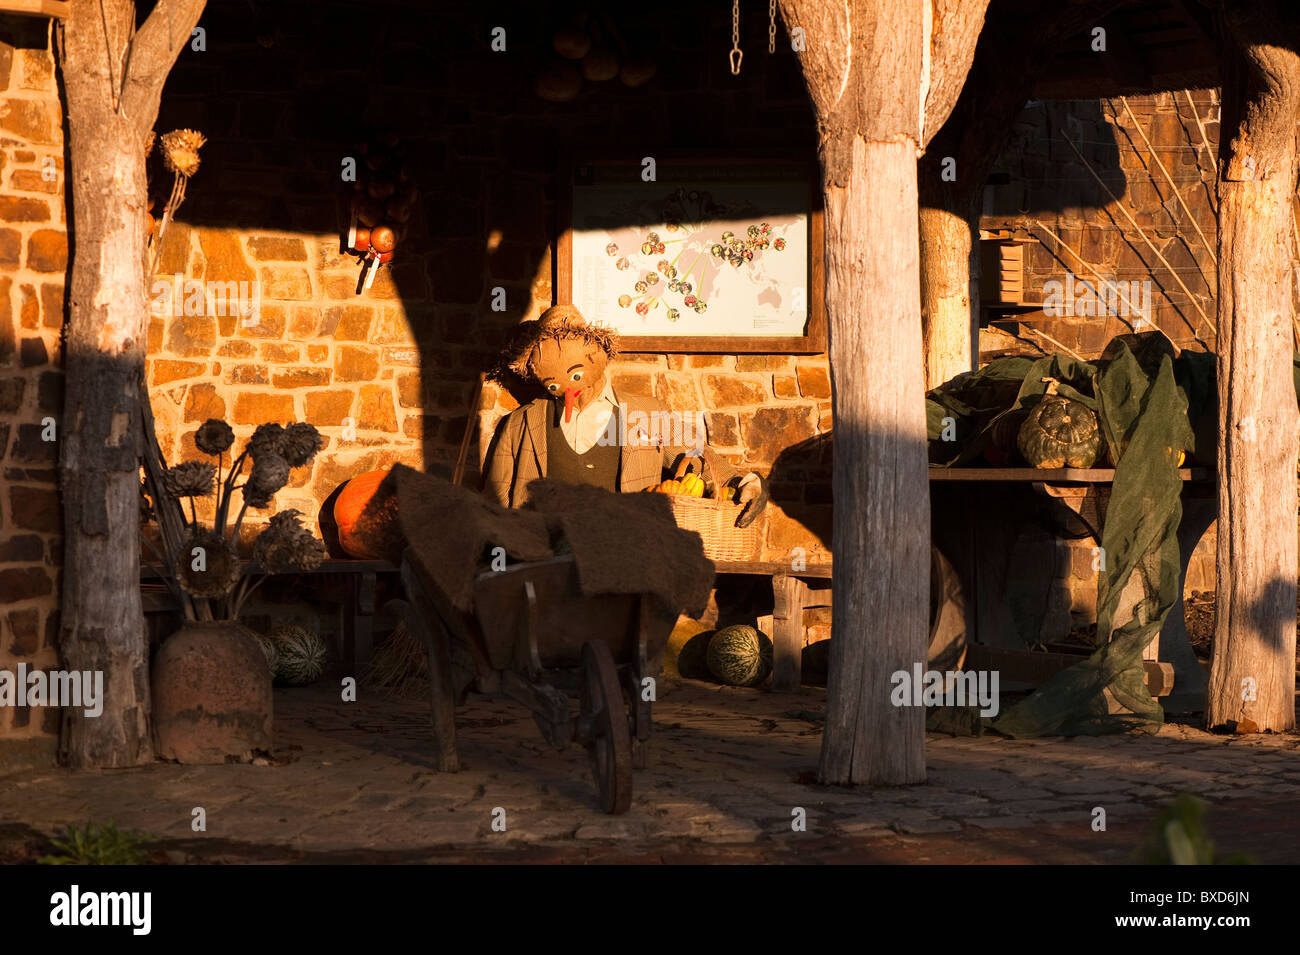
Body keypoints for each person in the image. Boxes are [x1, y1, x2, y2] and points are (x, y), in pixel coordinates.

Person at [484, 305, 767, 527]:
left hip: (624, 557)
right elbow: (493, 503)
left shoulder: (645, 414)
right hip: (546, 566)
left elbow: (697, 456)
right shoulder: (521, 424)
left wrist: (745, 484)